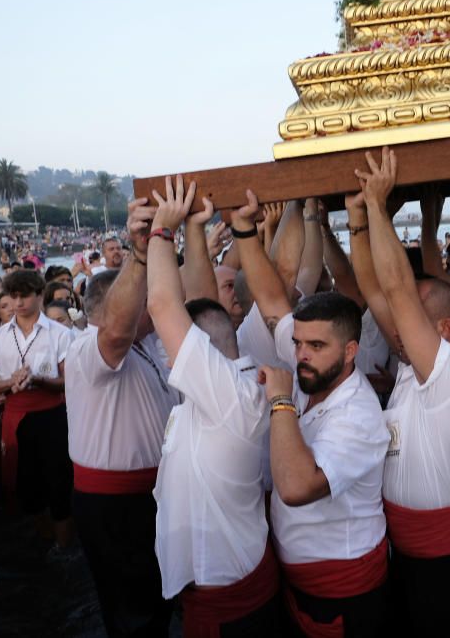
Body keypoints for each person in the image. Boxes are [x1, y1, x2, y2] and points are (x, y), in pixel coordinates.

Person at [231, 189, 391, 638]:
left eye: (315, 346)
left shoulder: (357, 413)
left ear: (350, 350)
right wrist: (246, 230)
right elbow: (270, 299)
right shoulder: (312, 366)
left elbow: (297, 488)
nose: (300, 355)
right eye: (297, 344)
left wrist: (281, 401)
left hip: (343, 590)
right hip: (301, 580)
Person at [349, 148, 450, 636]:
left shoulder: (447, 373)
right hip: (401, 551)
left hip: (445, 560)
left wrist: (379, 203)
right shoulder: (411, 362)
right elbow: (374, 287)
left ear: (445, 329)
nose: (399, 320)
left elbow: (399, 290)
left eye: (415, 318)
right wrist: (359, 219)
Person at [145, 178, 280, 636]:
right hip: (223, 584)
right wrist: (197, 233)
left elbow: (164, 304)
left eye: (176, 349)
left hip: (227, 599)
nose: (169, 355)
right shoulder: (225, 383)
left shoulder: (228, 396)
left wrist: (162, 232)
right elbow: (196, 303)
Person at [64, 197, 181, 638]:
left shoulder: (148, 346)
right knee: (133, 610)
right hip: (116, 504)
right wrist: (140, 252)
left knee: (158, 597)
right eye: (144, 300)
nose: (155, 305)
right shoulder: (87, 350)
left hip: (154, 493)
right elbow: (116, 329)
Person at [0, 269, 73, 546]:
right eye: (14, 296)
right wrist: (12, 381)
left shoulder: (59, 333)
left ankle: (65, 545)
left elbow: (68, 381)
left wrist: (39, 380)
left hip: (52, 415)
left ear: (39, 295)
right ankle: (45, 541)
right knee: (26, 484)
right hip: (15, 416)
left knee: (59, 483)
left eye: (24, 296)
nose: (18, 303)